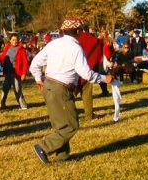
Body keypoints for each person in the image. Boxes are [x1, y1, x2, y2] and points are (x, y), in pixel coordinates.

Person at [29, 17, 113, 164]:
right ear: (78, 31)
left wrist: (38, 79)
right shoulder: (76, 48)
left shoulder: (53, 44)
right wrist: (105, 78)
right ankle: (43, 146)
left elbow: (35, 64)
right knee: (71, 125)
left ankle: (63, 157)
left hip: (49, 85)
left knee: (60, 125)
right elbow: (86, 73)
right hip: (61, 88)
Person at [0, 33, 28, 110]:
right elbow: (3, 57)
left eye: (16, 40)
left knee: (17, 89)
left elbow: (25, 62)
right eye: (13, 40)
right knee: (4, 88)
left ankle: (23, 106)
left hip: (16, 73)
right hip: (7, 72)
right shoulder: (7, 47)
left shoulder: (21, 49)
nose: (15, 41)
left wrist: (24, 73)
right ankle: (2, 104)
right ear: (10, 40)